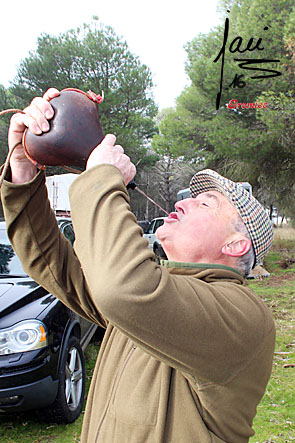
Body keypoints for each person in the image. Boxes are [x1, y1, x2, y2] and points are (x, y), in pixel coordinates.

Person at [1, 88, 275, 443]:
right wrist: (23, 170)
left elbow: (124, 288)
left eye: (206, 203)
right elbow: (50, 263)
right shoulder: (154, 289)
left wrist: (102, 175)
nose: (188, 202)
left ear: (235, 244)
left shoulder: (245, 318)